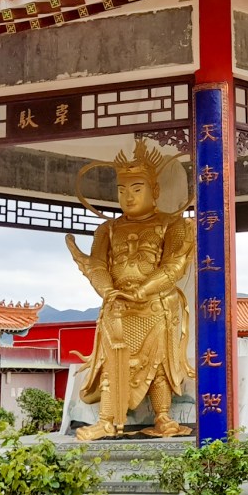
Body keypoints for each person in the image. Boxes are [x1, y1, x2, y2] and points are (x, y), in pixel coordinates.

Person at [66, 141, 195, 441]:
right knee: (112, 363)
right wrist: (108, 290)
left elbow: (175, 266)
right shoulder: (107, 229)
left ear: (155, 191)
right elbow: (97, 265)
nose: (128, 197)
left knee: (159, 365)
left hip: (156, 306)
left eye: (137, 189)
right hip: (118, 306)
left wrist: (143, 290)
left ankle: (163, 416)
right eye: (122, 190)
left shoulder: (171, 224)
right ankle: (107, 420)